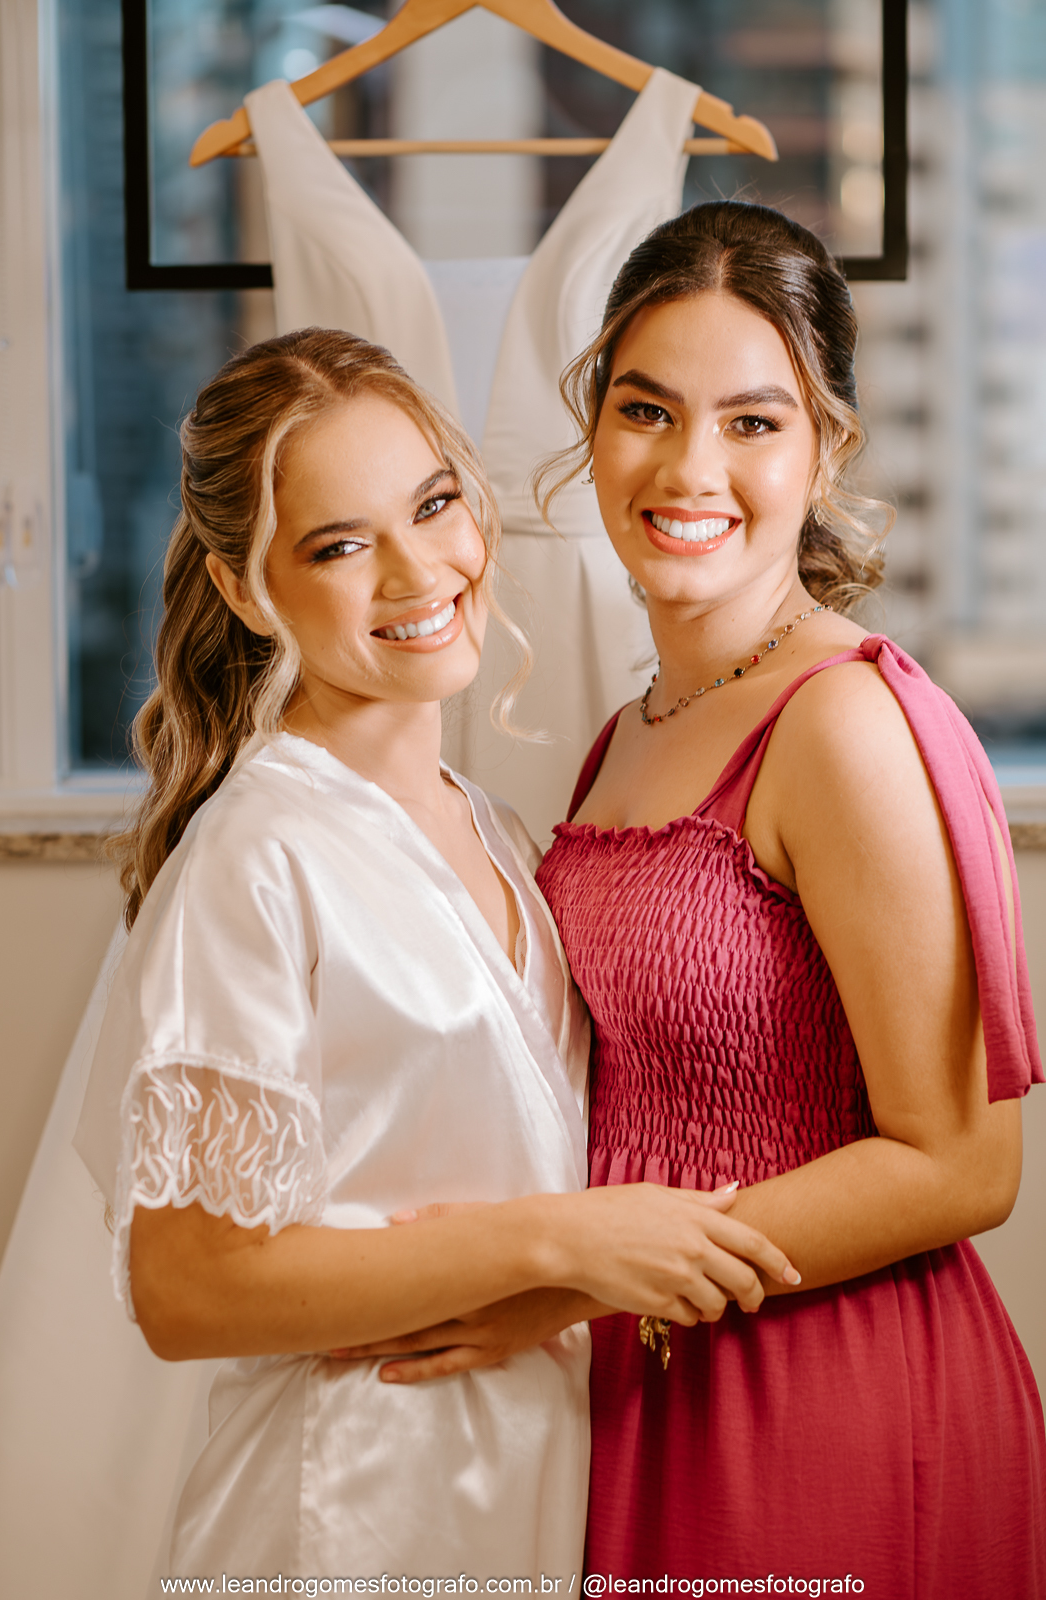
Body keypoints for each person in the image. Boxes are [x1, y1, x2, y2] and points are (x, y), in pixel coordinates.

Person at [338, 205, 1046, 1596]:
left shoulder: (841, 725)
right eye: (645, 410)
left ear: (824, 449)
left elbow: (963, 1164)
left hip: (821, 1387)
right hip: (653, 1371)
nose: (686, 468)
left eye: (750, 422)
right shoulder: (629, 733)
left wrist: (564, 1280)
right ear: (592, 426)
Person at [73, 326, 799, 1585]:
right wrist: (555, 1242)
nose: (419, 571)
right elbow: (186, 1290)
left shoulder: (499, 832)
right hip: (346, 1511)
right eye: (339, 546)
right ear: (246, 591)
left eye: (432, 505)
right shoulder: (257, 854)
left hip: (525, 1485)